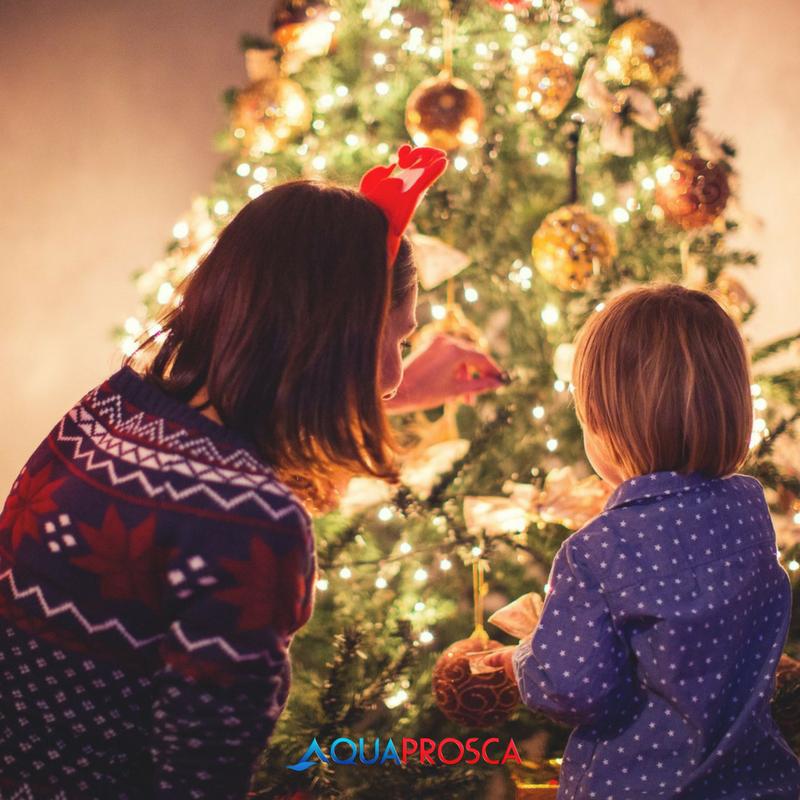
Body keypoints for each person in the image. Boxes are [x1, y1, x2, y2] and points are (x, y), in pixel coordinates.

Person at [0, 145, 506, 799]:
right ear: (331, 344)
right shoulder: (252, 522)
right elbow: (199, 781)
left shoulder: (109, 412)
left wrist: (393, 394)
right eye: (395, 342)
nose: (391, 376)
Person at [484, 284, 800, 799]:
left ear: (606, 430)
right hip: (759, 780)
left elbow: (572, 687)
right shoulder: (748, 511)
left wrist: (522, 659)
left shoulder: (596, 551)